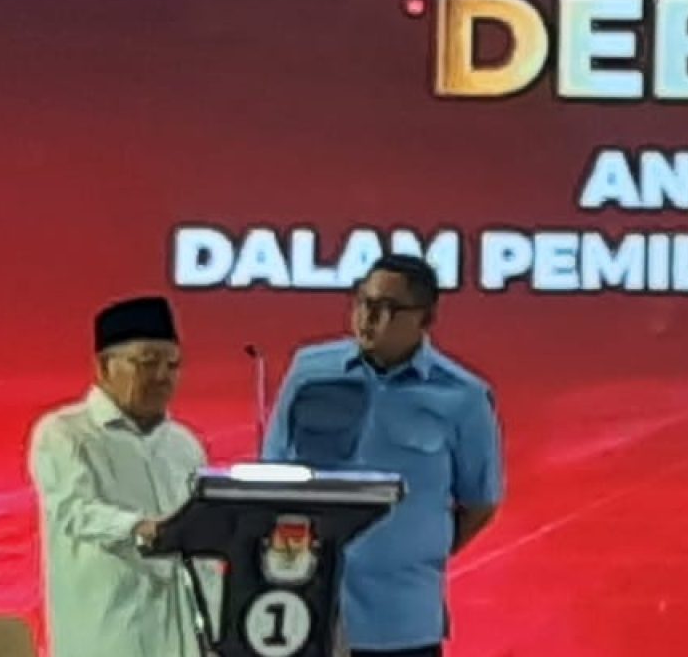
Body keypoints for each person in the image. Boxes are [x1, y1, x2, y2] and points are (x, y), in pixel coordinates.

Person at [263, 255, 504, 657]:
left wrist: (415, 549)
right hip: (302, 609)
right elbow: (273, 474)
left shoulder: (463, 397)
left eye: (387, 308)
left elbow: (479, 503)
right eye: (363, 301)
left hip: (401, 619)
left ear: (425, 319)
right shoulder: (309, 372)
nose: (368, 317)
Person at [29, 296, 215, 657]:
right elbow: (74, 510)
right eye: (148, 363)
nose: (162, 377)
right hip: (109, 634)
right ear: (103, 366)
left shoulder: (184, 444)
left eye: (173, 365)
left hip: (185, 637)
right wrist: (140, 529)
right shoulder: (65, 433)